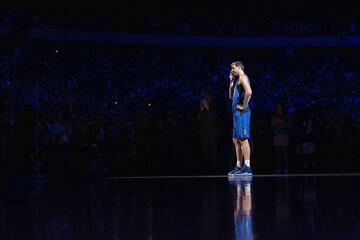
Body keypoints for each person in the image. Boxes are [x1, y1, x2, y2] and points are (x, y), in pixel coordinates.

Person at [228, 61, 253, 176]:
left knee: (243, 138)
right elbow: (230, 96)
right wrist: (231, 82)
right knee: (236, 140)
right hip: (236, 113)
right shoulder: (237, 80)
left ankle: (247, 166)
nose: (232, 70)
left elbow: (249, 92)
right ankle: (239, 166)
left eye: (233, 68)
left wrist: (244, 105)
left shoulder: (243, 77)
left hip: (242, 113)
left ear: (238, 67)